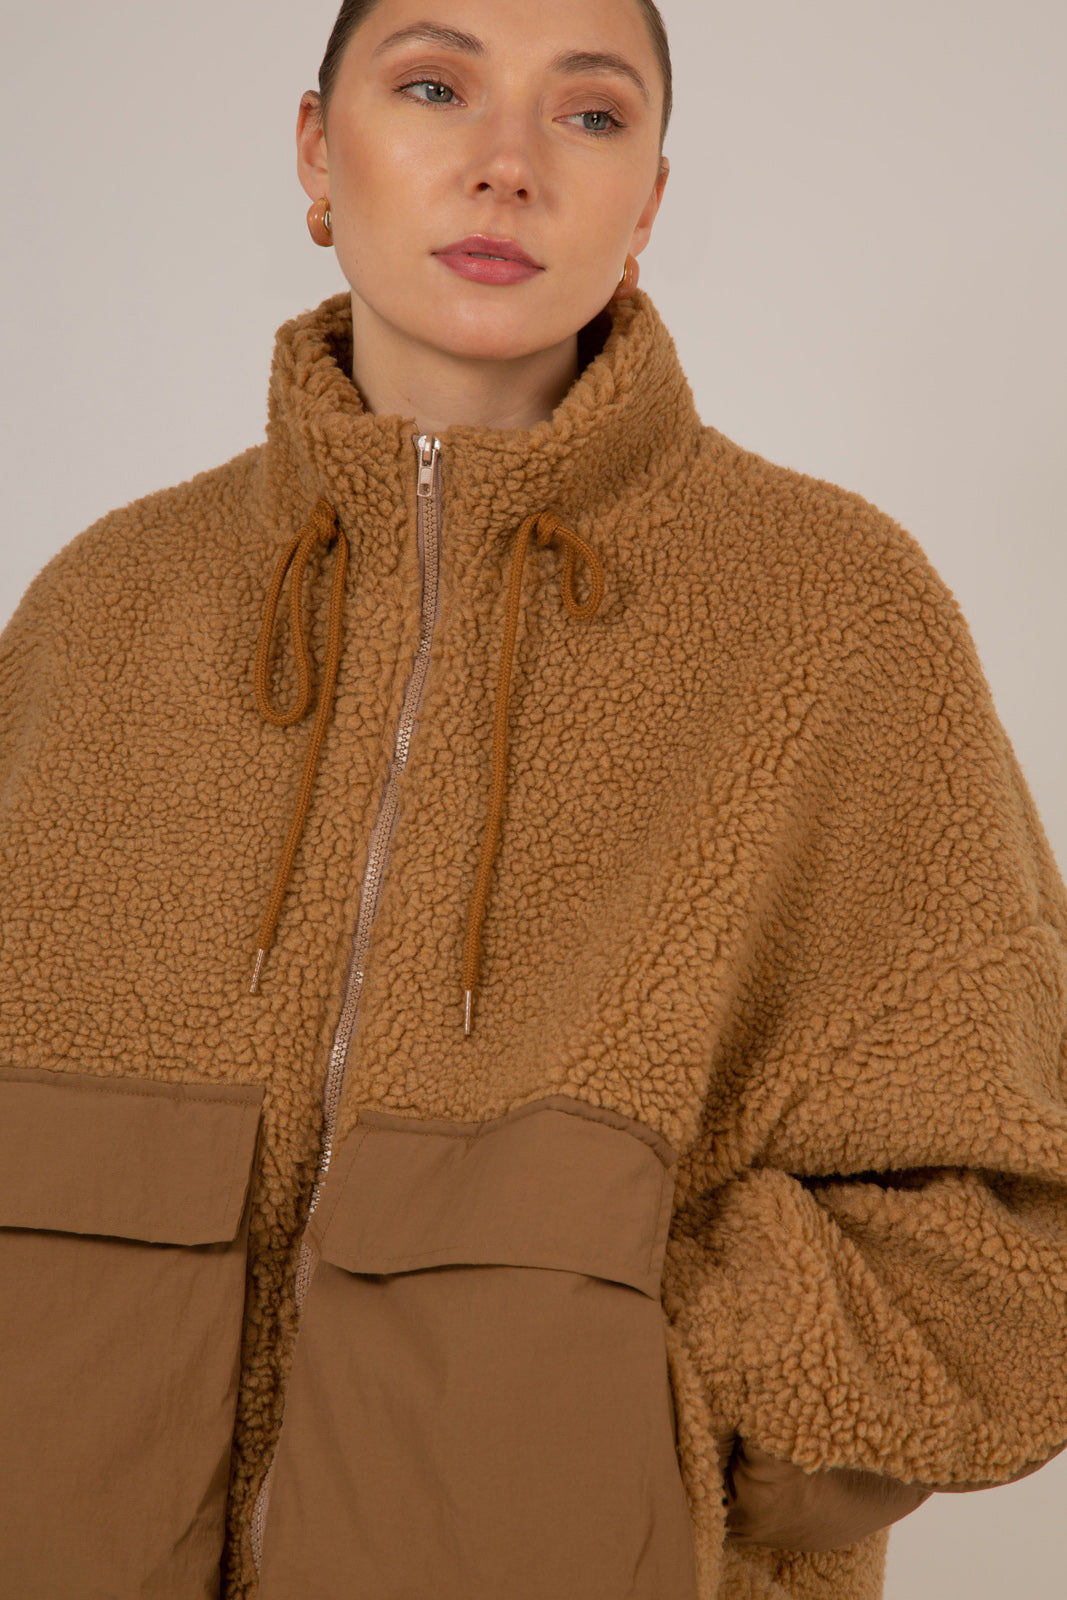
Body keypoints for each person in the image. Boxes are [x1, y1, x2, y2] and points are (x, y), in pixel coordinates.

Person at [0, 1, 1065, 1597]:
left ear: (647, 202)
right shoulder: (104, 609)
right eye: (436, 86)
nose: (508, 164)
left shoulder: (835, 615)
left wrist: (645, 1387)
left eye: (589, 114)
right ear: (317, 150)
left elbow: (1011, 1236)